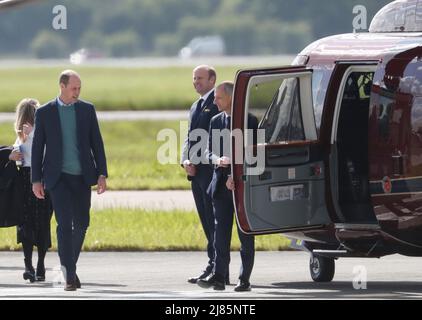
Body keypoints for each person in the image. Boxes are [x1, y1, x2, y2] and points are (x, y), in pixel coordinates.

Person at [31, 70, 108, 291]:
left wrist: (102, 173)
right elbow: (37, 148)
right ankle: (69, 276)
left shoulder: (86, 109)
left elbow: (97, 143)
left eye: (79, 88)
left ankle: (69, 268)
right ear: (62, 86)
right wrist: (36, 179)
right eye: (74, 88)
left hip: (83, 176)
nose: (77, 92)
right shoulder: (45, 112)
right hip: (57, 178)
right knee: (64, 225)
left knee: (82, 224)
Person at [197, 81, 257, 292]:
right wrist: (217, 159)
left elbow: (254, 156)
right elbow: (207, 151)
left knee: (245, 236)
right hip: (221, 187)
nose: (214, 101)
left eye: (218, 97)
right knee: (220, 235)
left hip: (242, 188)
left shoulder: (250, 121)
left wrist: (236, 176)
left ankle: (244, 280)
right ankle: (219, 277)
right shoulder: (215, 121)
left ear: (230, 98)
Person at [181, 65, 221, 284]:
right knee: (205, 220)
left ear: (212, 80)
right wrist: (185, 160)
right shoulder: (196, 105)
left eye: (200, 78)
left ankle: (216, 266)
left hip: (210, 171)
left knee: (213, 220)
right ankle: (212, 264)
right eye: (194, 78)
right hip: (195, 173)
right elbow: (189, 137)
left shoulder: (216, 103)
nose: (196, 82)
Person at [8, 98, 53, 283]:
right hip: (25, 180)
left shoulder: (41, 133)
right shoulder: (21, 136)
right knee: (25, 224)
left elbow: (45, 151)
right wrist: (14, 156)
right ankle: (28, 265)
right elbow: (20, 157)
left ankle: (41, 264)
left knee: (42, 223)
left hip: (41, 179)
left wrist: (33, 133)